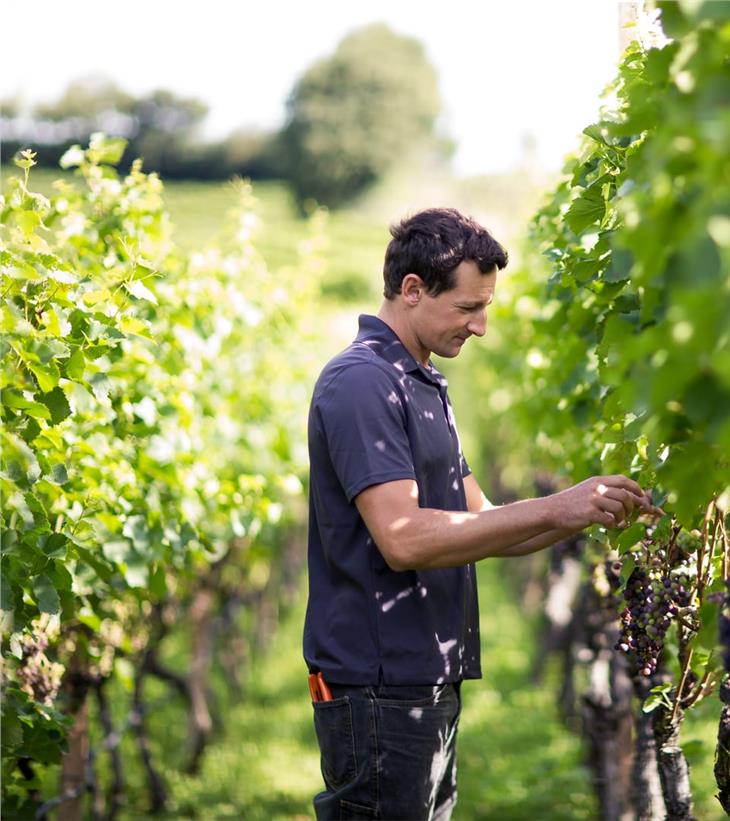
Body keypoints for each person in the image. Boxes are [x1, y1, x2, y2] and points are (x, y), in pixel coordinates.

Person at [303, 207, 655, 820]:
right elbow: (404, 539)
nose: (482, 326)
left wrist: (579, 509)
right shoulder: (363, 383)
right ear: (412, 290)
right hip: (378, 684)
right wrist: (557, 504)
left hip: (421, 678)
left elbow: (483, 519)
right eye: (468, 308)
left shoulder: (421, 382)